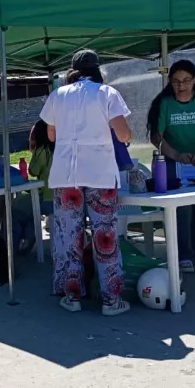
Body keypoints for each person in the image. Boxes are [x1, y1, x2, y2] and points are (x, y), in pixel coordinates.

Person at [40, 49, 132, 316]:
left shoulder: (58, 95)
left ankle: (72, 296)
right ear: (97, 70)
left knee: (69, 237)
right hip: (101, 174)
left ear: (73, 70)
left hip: (67, 176)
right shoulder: (107, 93)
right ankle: (111, 301)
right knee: (106, 236)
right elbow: (123, 133)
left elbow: (52, 135)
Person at [148, 59, 195, 272]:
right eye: (176, 82)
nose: (181, 86)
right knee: (181, 209)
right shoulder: (165, 103)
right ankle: (184, 254)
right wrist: (176, 154)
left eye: (186, 81)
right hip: (175, 162)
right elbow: (157, 137)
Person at [9, 120, 55, 254]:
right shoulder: (60, 149)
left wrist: (33, 150)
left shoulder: (42, 151)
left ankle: (13, 246)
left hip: (47, 199)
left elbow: (33, 171)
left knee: (16, 207)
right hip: (61, 199)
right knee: (28, 204)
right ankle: (29, 239)